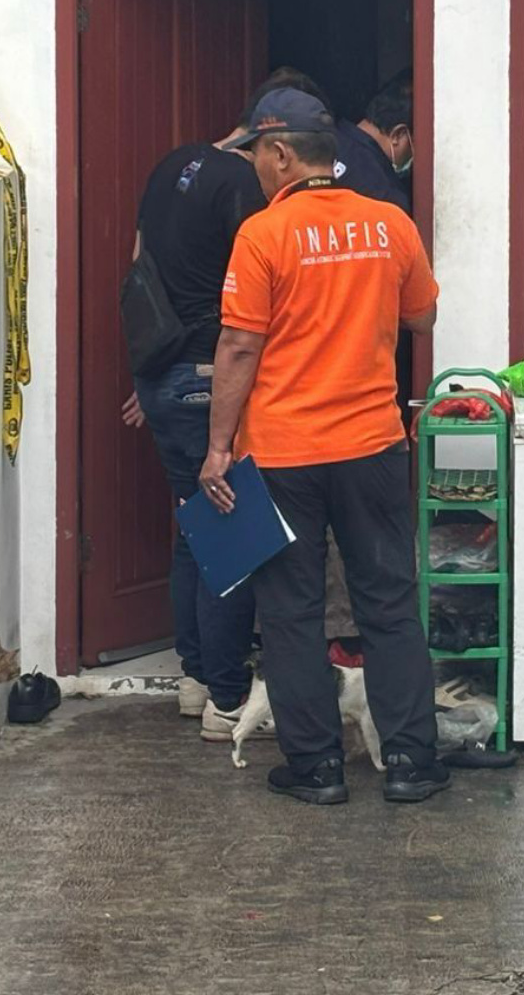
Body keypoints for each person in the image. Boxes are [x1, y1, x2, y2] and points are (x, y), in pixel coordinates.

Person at [199, 87, 446, 805]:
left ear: (280, 154)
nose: (252, 168)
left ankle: (316, 768)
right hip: (371, 446)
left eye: (254, 155)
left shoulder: (263, 235)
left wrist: (218, 449)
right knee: (390, 603)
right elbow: (423, 315)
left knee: (292, 611)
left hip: (284, 454)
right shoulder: (388, 221)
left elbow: (241, 344)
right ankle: (409, 761)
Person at [120, 70, 326, 741]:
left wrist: (152, 367)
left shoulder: (172, 164)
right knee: (233, 540)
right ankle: (229, 702)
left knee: (197, 530)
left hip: (164, 374)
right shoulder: (243, 189)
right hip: (211, 374)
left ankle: (197, 677)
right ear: (273, 146)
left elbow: (140, 266)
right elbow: (255, 297)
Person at [332, 71, 414, 211]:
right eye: (412, 148)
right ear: (398, 135)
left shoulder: (322, 142)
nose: (413, 158)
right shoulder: (385, 193)